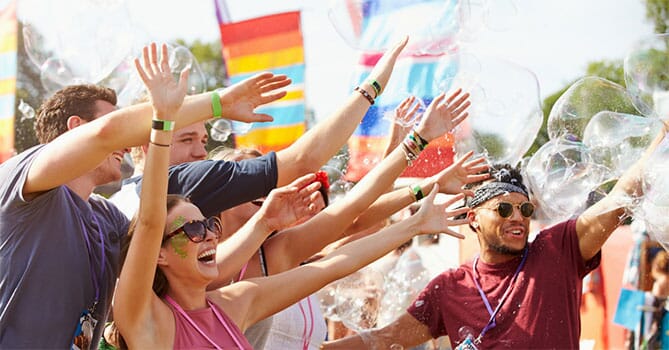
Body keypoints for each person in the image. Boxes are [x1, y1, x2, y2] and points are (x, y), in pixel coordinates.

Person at [113, 44, 473, 349]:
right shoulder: (146, 318)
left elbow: (334, 263)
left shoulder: (235, 303)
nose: (207, 234)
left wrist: (413, 225)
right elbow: (148, 221)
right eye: (191, 230)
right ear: (157, 254)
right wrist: (162, 120)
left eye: (206, 225)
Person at [0, 41, 292, 348]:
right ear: (76, 129)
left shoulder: (107, 217)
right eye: (130, 132)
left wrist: (265, 224)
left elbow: (178, 254)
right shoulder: (25, 184)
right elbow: (107, 133)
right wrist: (216, 103)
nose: (129, 145)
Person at [324, 126, 668, 349]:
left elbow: (622, 194)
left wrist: (663, 132)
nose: (518, 218)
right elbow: (385, 338)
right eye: (504, 210)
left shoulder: (556, 250)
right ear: (473, 218)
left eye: (525, 210)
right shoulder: (449, 287)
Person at [208, 93, 484, 349]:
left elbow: (358, 217)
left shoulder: (281, 254)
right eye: (246, 181)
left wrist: (415, 165)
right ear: (219, 194)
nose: (260, 190)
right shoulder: (204, 267)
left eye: (264, 183)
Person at [109, 37, 412, 221]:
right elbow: (303, 160)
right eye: (187, 139)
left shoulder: (116, 201)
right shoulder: (179, 181)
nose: (202, 151)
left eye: (202, 139)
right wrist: (371, 89)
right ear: (149, 143)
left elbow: (349, 224)